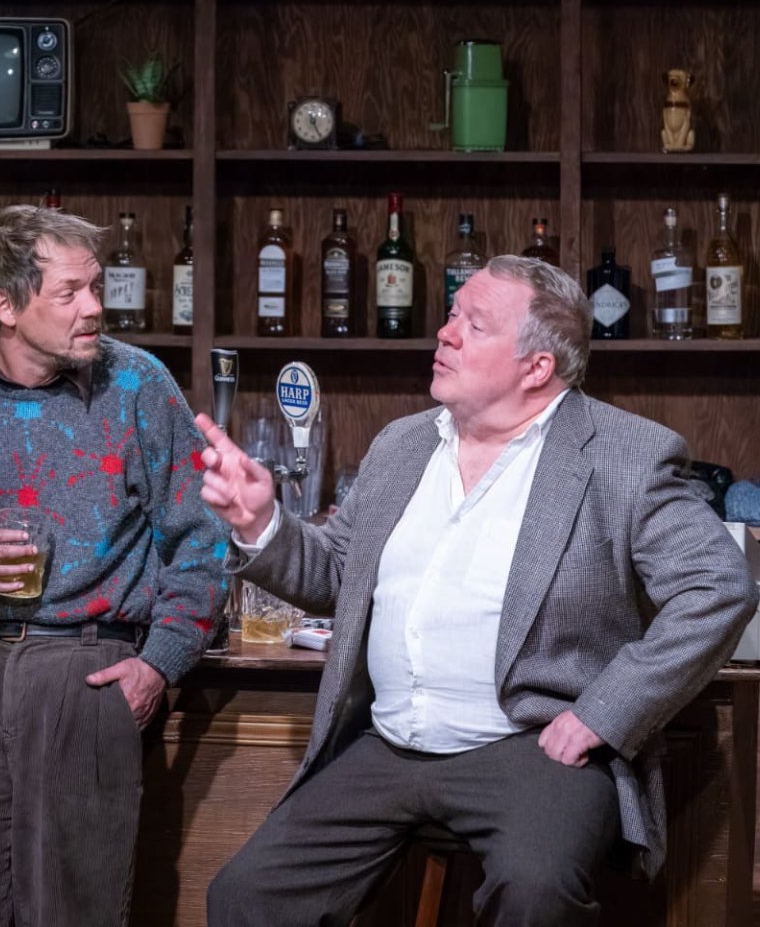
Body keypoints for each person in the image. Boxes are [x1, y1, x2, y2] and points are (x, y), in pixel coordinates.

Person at [197, 255, 757, 927]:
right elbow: (338, 575)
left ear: (536, 367)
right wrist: (262, 524)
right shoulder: (401, 445)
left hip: (529, 743)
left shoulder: (625, 457)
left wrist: (603, 713)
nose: (445, 332)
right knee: (246, 896)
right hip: (389, 740)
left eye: (474, 324)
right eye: (452, 315)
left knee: (536, 892)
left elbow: (717, 586)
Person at [0, 204, 227, 927]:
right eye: (70, 293)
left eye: (95, 287)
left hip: (84, 674)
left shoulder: (140, 387)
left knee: (74, 910)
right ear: (5, 305)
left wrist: (161, 665)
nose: (95, 308)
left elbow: (202, 541)